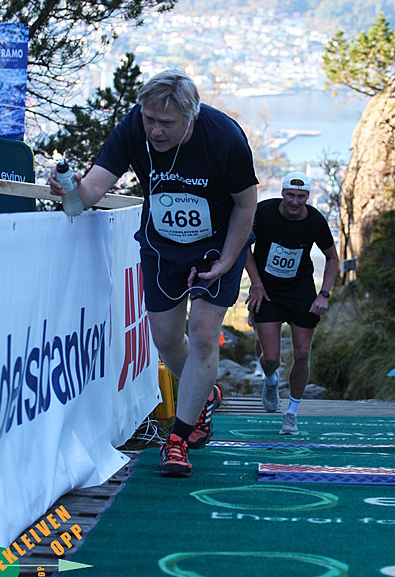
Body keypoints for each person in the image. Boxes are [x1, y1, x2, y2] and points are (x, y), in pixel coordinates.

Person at [50, 70, 258, 477]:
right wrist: (69, 188)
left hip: (218, 243)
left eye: (167, 123)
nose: (156, 131)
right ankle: (204, 393)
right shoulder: (134, 126)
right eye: (150, 120)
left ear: (191, 116)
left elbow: (246, 205)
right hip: (164, 245)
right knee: (165, 338)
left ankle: (178, 438)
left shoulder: (225, 138)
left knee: (203, 334)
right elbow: (92, 190)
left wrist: (228, 260)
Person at [245, 171, 339, 434]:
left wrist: (324, 294)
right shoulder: (263, 212)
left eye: (301, 196)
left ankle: (291, 413)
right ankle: (271, 379)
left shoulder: (315, 221)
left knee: (302, 353)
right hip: (267, 291)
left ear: (307, 197)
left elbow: (333, 258)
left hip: (300, 290)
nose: (295, 201)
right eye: (290, 195)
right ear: (282, 193)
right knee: (271, 357)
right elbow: (243, 246)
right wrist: (256, 283)